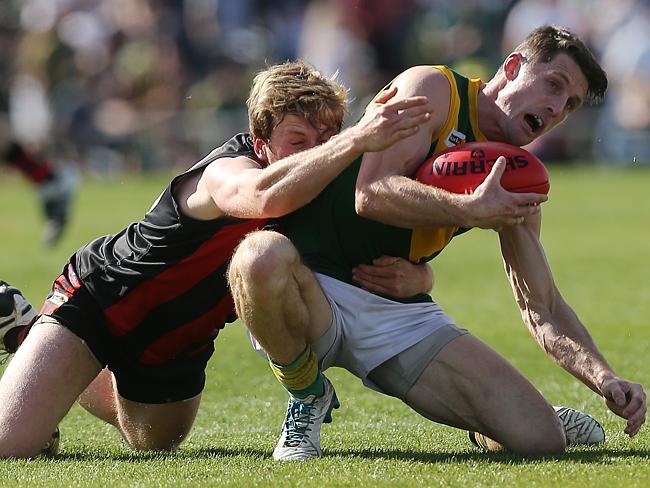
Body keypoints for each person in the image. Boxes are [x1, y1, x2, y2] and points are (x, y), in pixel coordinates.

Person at [0, 58, 539, 459]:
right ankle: (28, 333)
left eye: (325, 135)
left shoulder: (326, 180)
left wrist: (423, 272)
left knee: (149, 445)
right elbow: (264, 197)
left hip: (177, 344)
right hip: (98, 302)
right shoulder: (226, 171)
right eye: (297, 138)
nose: (314, 149)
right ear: (261, 140)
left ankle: (38, 359)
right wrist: (350, 141)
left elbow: (355, 251)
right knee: (12, 447)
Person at [227, 25, 647, 461]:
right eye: (554, 85)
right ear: (513, 66)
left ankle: (492, 423)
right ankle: (306, 395)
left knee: (540, 439)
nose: (556, 107)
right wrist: (466, 210)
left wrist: (604, 378)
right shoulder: (435, 90)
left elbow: (541, 307)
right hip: (312, 284)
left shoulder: (517, 179)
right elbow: (370, 194)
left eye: (570, 104)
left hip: (395, 312)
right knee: (258, 256)